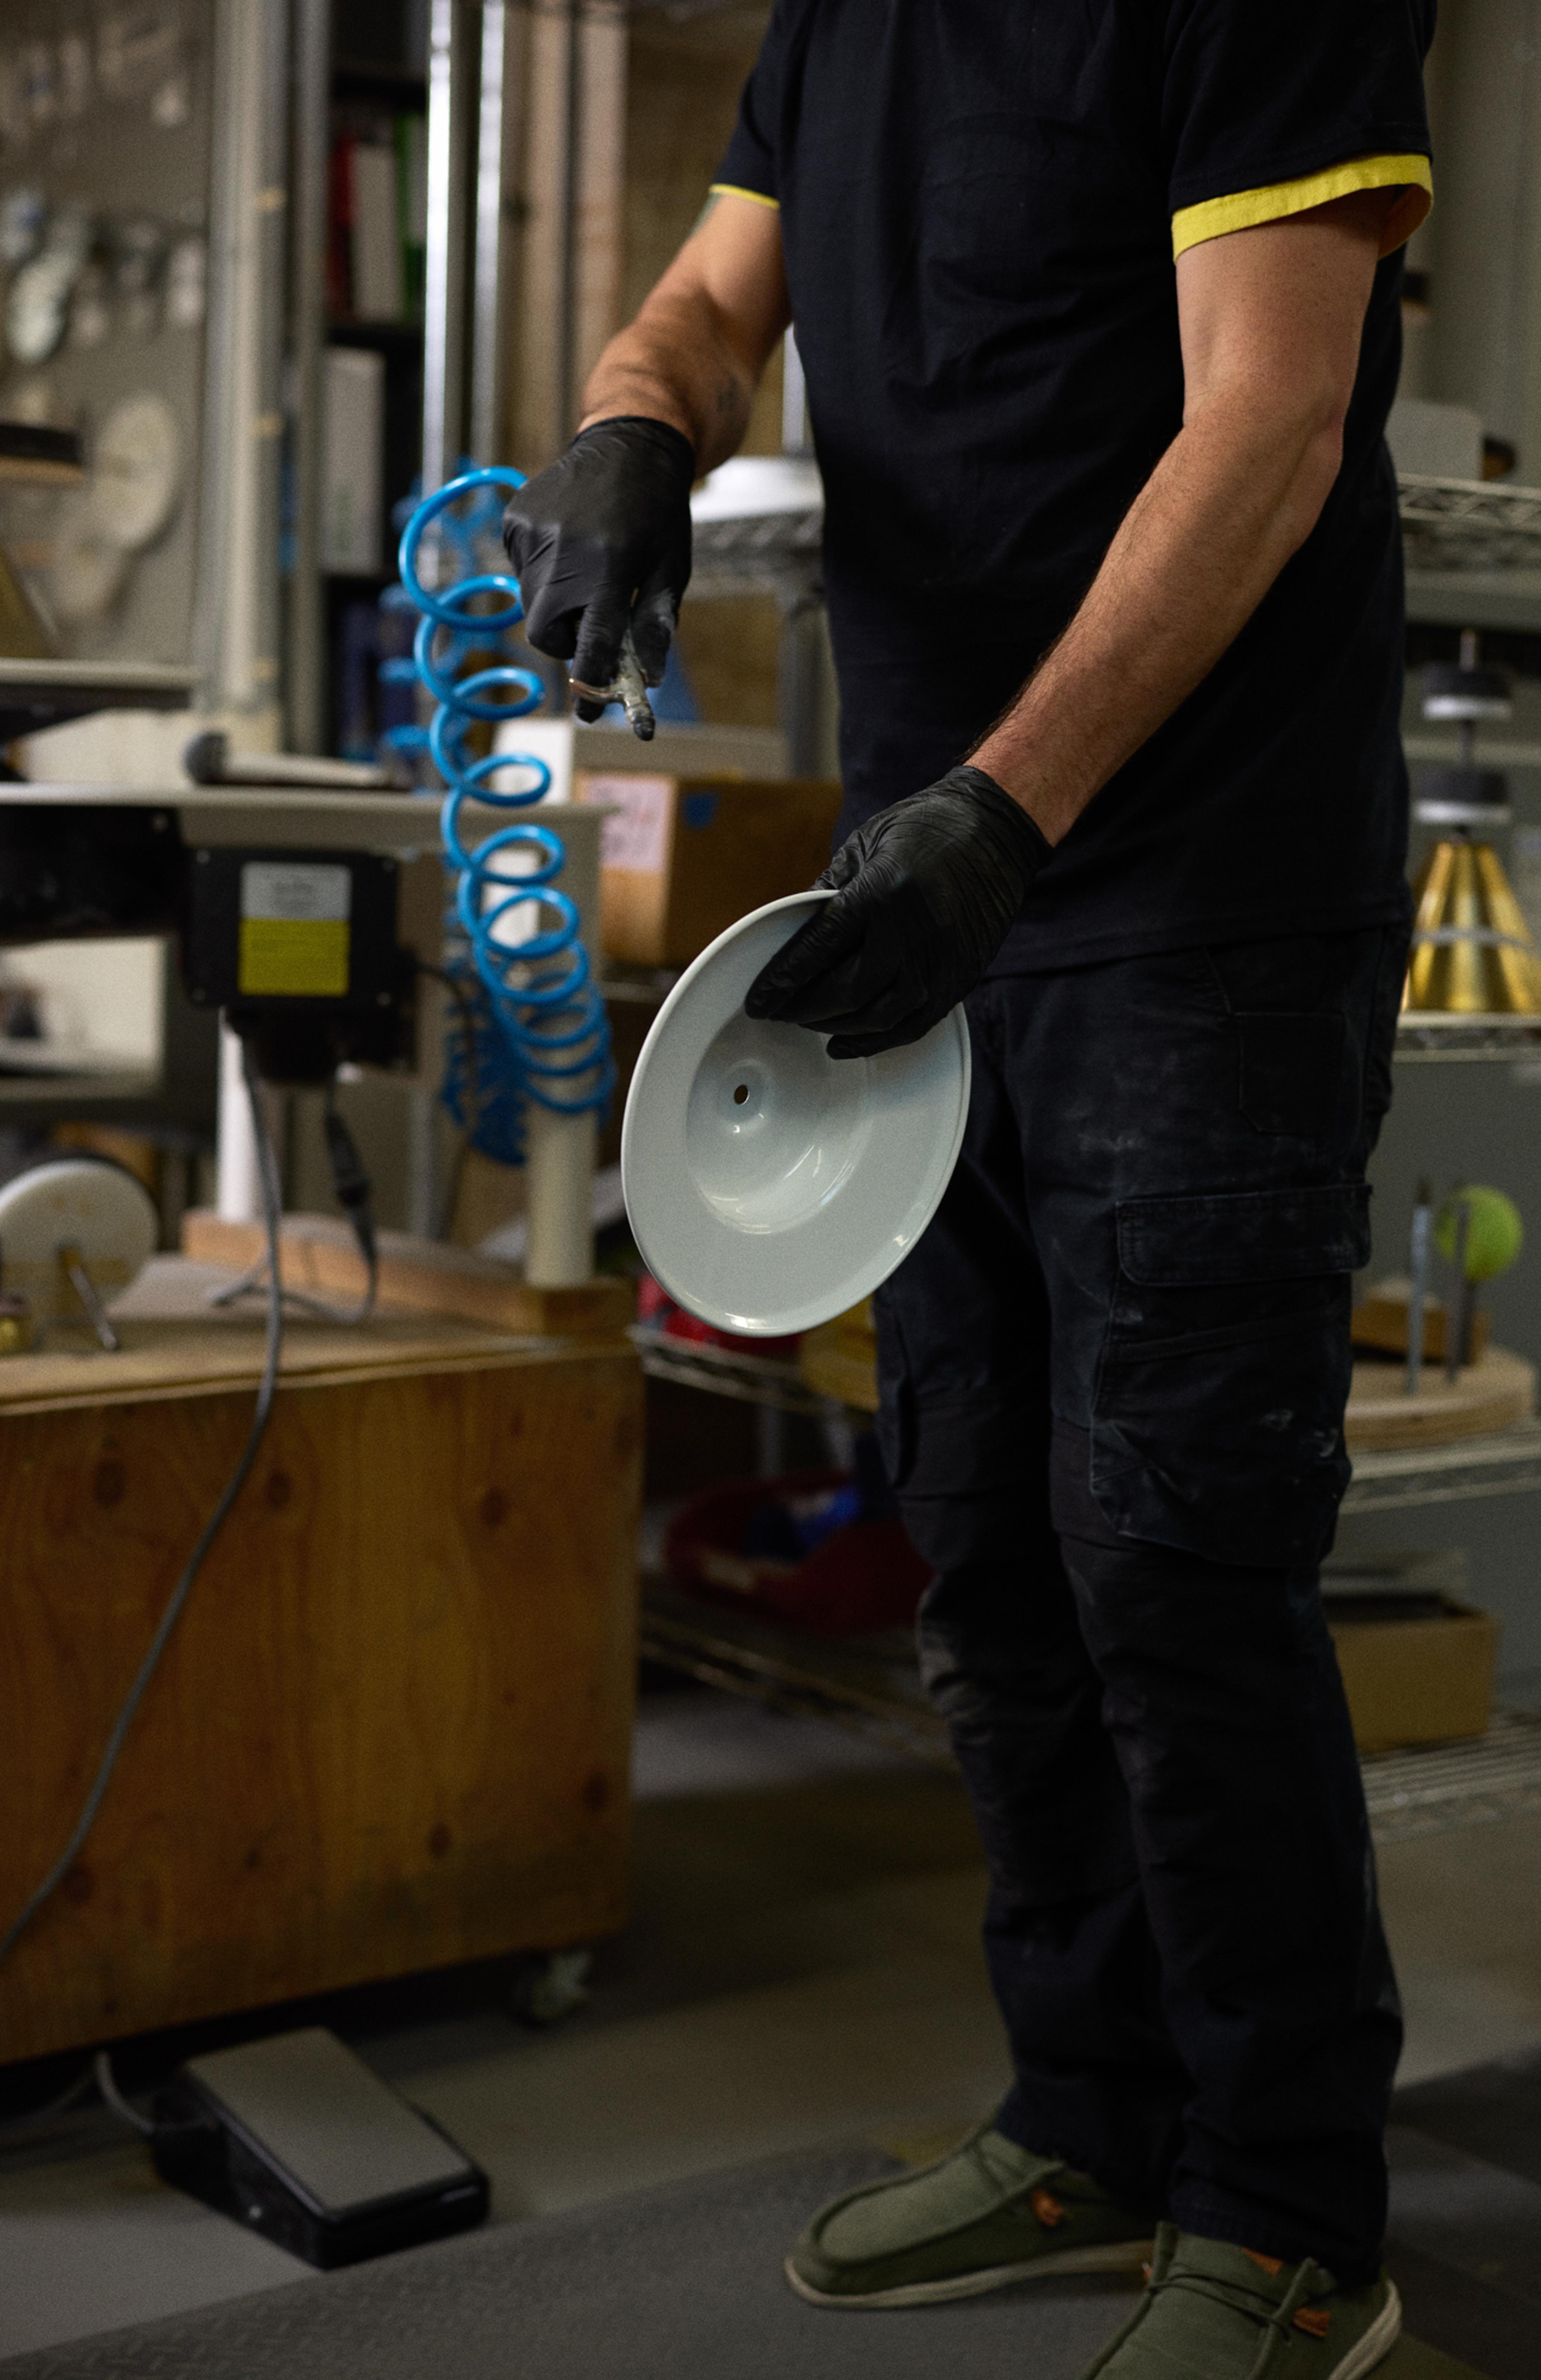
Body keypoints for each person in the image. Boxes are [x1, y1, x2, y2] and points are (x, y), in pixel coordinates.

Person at [503, 6, 1434, 2373]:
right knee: (988, 1528)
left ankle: (1293, 2200)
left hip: (1184, 894)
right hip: (932, 893)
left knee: (1174, 1550)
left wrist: (1011, 807)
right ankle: (1092, 2113)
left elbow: (1270, 425)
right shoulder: (844, 27)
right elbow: (715, 304)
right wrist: (632, 423)